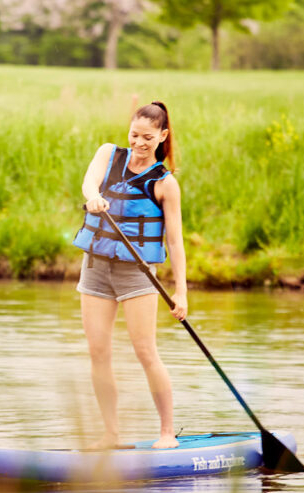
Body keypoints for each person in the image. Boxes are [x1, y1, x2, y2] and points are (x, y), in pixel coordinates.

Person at [72, 101, 187, 450]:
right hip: (95, 269)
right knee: (98, 351)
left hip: (138, 275)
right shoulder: (108, 154)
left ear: (162, 136)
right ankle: (111, 434)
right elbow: (89, 182)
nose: (139, 142)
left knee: (145, 351)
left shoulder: (166, 184)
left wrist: (181, 291)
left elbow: (175, 240)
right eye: (134, 135)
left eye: (147, 137)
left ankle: (167, 434)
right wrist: (93, 198)